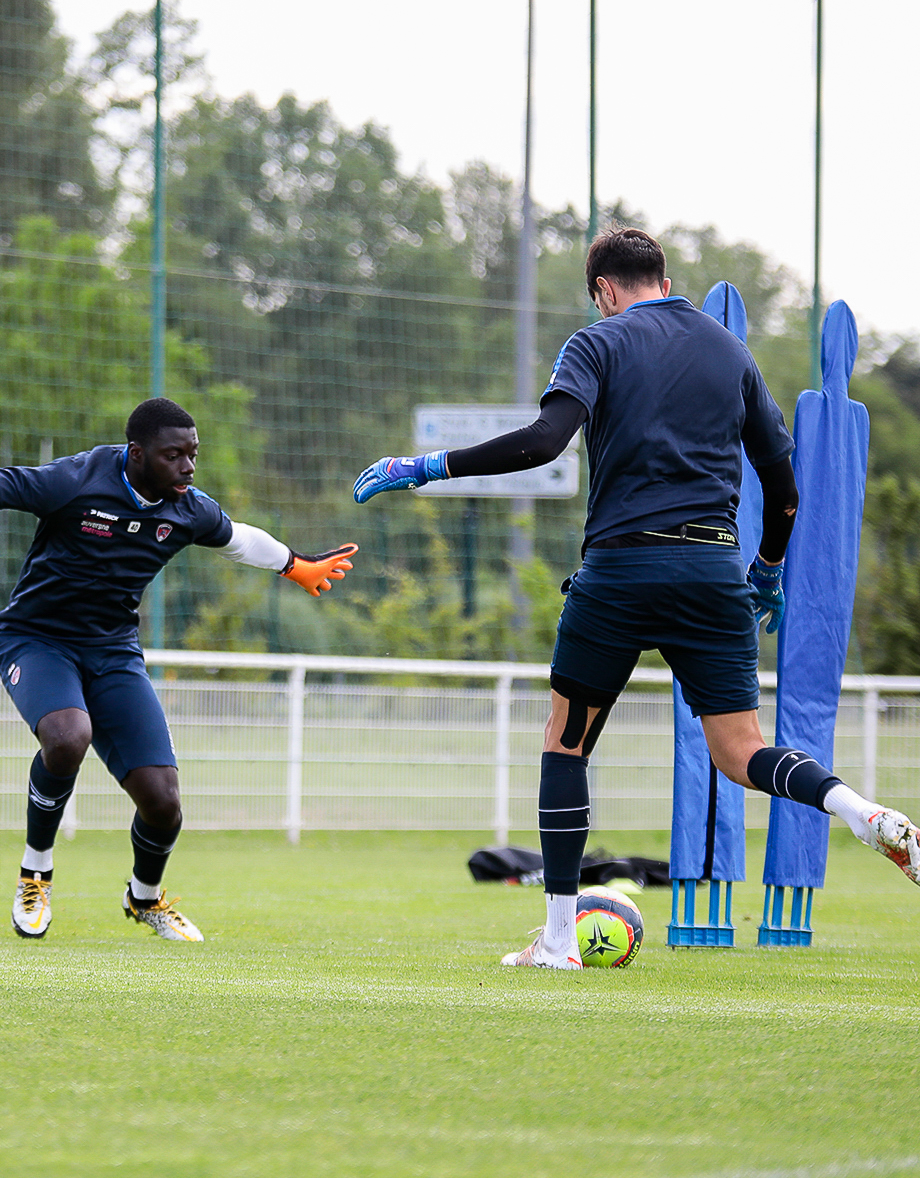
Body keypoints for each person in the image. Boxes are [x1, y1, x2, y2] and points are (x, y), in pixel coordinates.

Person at [353, 227, 920, 969]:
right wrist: (769, 571)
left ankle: (558, 942)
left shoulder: (598, 342)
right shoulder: (729, 350)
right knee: (741, 750)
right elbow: (783, 485)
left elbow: (543, 441)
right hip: (714, 573)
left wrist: (426, 466)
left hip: (621, 573)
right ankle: (860, 811)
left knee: (567, 745)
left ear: (603, 290)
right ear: (663, 276)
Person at [0, 397, 357, 942]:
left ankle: (145, 898)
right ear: (136, 454)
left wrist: (295, 565)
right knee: (67, 735)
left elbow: (241, 539)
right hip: (35, 640)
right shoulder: (76, 481)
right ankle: (35, 876)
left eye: (193, 454)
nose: (187, 466)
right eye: (173, 454)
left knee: (164, 802)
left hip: (112, 651)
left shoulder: (187, 509)